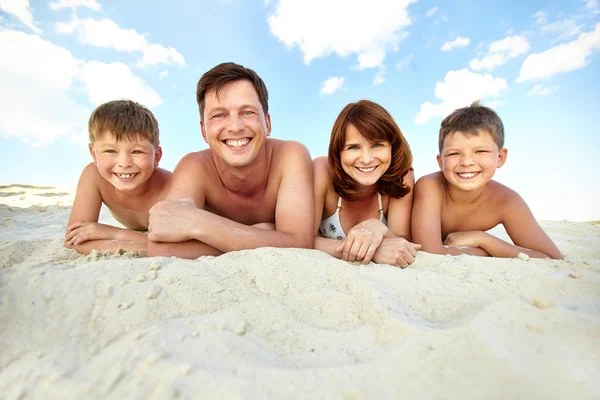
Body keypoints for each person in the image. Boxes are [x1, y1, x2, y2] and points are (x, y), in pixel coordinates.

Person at [147, 62, 314, 259]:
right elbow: (161, 249)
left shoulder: (290, 155)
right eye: (219, 115)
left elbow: (299, 243)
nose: (235, 126)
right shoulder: (194, 167)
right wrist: (265, 236)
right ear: (203, 131)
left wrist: (199, 223)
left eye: (247, 112)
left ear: (267, 123)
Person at [412, 101, 562, 259]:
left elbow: (551, 257)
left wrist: (483, 240)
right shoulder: (430, 186)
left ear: (500, 157)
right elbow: (430, 251)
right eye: (454, 153)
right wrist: (484, 252)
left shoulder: (507, 201)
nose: (467, 162)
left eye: (480, 151)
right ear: (441, 161)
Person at [313, 100, 420, 268]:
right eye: (353, 147)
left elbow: (401, 243)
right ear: (338, 151)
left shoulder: (402, 176)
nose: (366, 159)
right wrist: (371, 251)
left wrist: (379, 228)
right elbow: (301, 238)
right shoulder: (321, 171)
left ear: (393, 147)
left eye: (377, 145)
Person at [65, 100, 172, 254]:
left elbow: (181, 248)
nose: (124, 163)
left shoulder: (172, 187)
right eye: (110, 151)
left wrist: (115, 233)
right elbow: (74, 239)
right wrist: (143, 242)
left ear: (157, 156)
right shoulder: (94, 176)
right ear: (93, 153)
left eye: (136, 152)